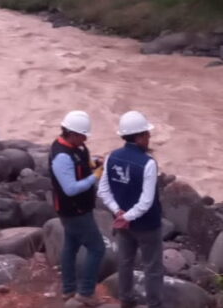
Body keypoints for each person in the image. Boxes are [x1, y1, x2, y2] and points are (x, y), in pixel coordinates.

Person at [98, 110, 163, 308]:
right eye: (146, 133)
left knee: (125, 264)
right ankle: (154, 304)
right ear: (139, 137)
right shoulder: (148, 163)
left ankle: (126, 301)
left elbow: (103, 190)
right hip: (147, 225)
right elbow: (146, 201)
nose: (149, 137)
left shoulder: (112, 157)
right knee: (152, 268)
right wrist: (127, 216)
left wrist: (118, 212)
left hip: (123, 225)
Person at [50, 110, 105, 306]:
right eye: (82, 135)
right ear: (71, 133)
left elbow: (78, 164)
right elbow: (70, 188)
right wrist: (95, 176)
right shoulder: (61, 157)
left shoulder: (74, 147)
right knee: (97, 248)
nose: (84, 139)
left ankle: (68, 290)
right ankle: (85, 293)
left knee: (71, 247)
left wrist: (91, 164)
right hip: (74, 211)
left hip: (77, 209)